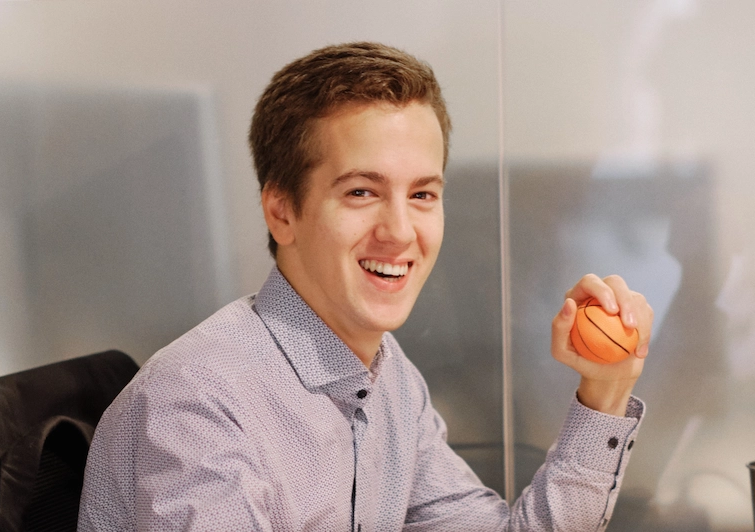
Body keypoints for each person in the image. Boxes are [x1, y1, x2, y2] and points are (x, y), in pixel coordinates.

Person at [78, 42, 653, 531]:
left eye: (423, 195)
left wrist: (605, 390)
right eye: (361, 192)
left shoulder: (389, 381)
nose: (401, 232)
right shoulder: (197, 404)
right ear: (282, 212)